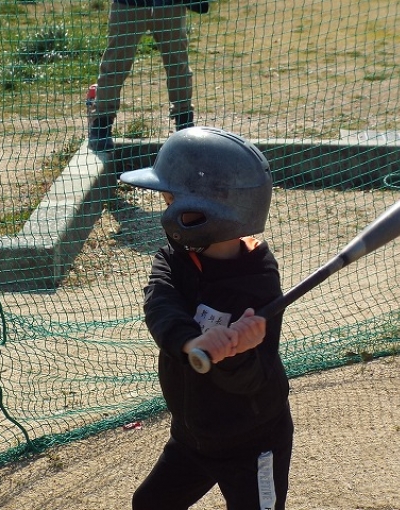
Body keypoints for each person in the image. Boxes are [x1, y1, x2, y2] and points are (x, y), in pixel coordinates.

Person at [119, 126, 293, 510]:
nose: (165, 208)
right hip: (193, 436)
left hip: (253, 441)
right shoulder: (175, 258)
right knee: (150, 504)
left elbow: (255, 380)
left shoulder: (258, 281)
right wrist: (192, 342)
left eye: (170, 199)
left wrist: (238, 354)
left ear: (206, 210)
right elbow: (160, 303)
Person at [88, 0, 203, 152]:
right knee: (114, 65)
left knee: (178, 65)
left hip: (169, 4)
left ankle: (184, 123)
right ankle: (101, 125)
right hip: (129, 4)